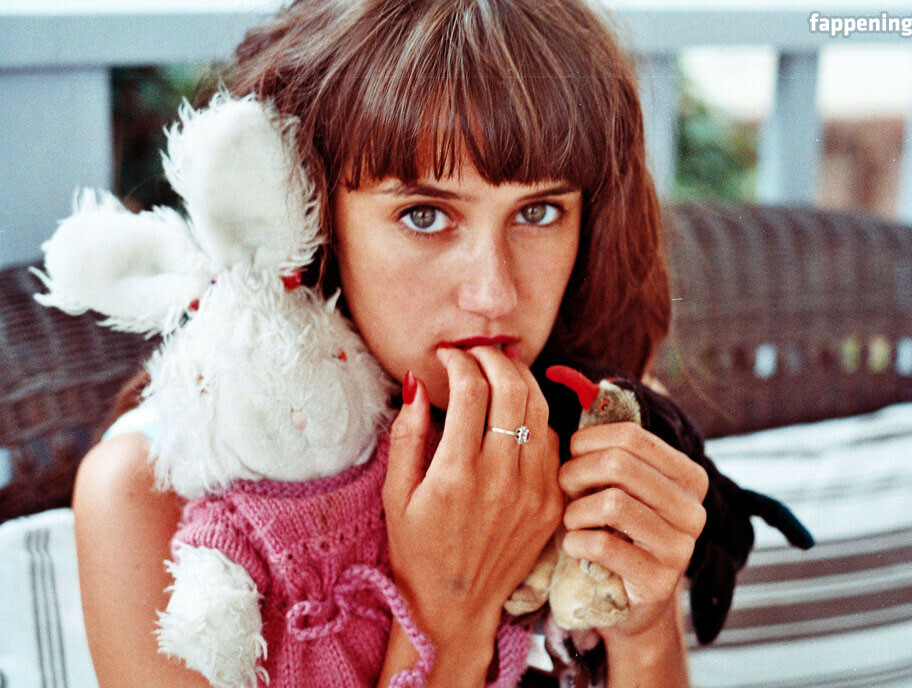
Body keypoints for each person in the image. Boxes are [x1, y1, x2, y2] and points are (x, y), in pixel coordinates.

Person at [72, 1, 710, 686]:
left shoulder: (599, 429)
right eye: (425, 215)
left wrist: (643, 629)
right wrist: (446, 617)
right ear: (310, 211)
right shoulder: (146, 496)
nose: (495, 293)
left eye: (538, 211)